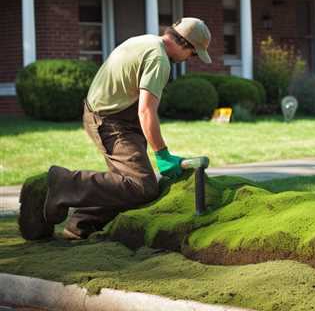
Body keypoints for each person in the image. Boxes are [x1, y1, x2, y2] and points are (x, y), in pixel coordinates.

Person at [18, 17, 212, 240]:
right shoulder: (159, 60)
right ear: (185, 44)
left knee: (124, 182)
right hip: (111, 121)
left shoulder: (145, 40)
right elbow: (146, 111)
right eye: (194, 54)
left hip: (110, 114)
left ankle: (81, 224)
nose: (190, 59)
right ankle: (62, 183)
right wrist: (162, 154)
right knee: (142, 186)